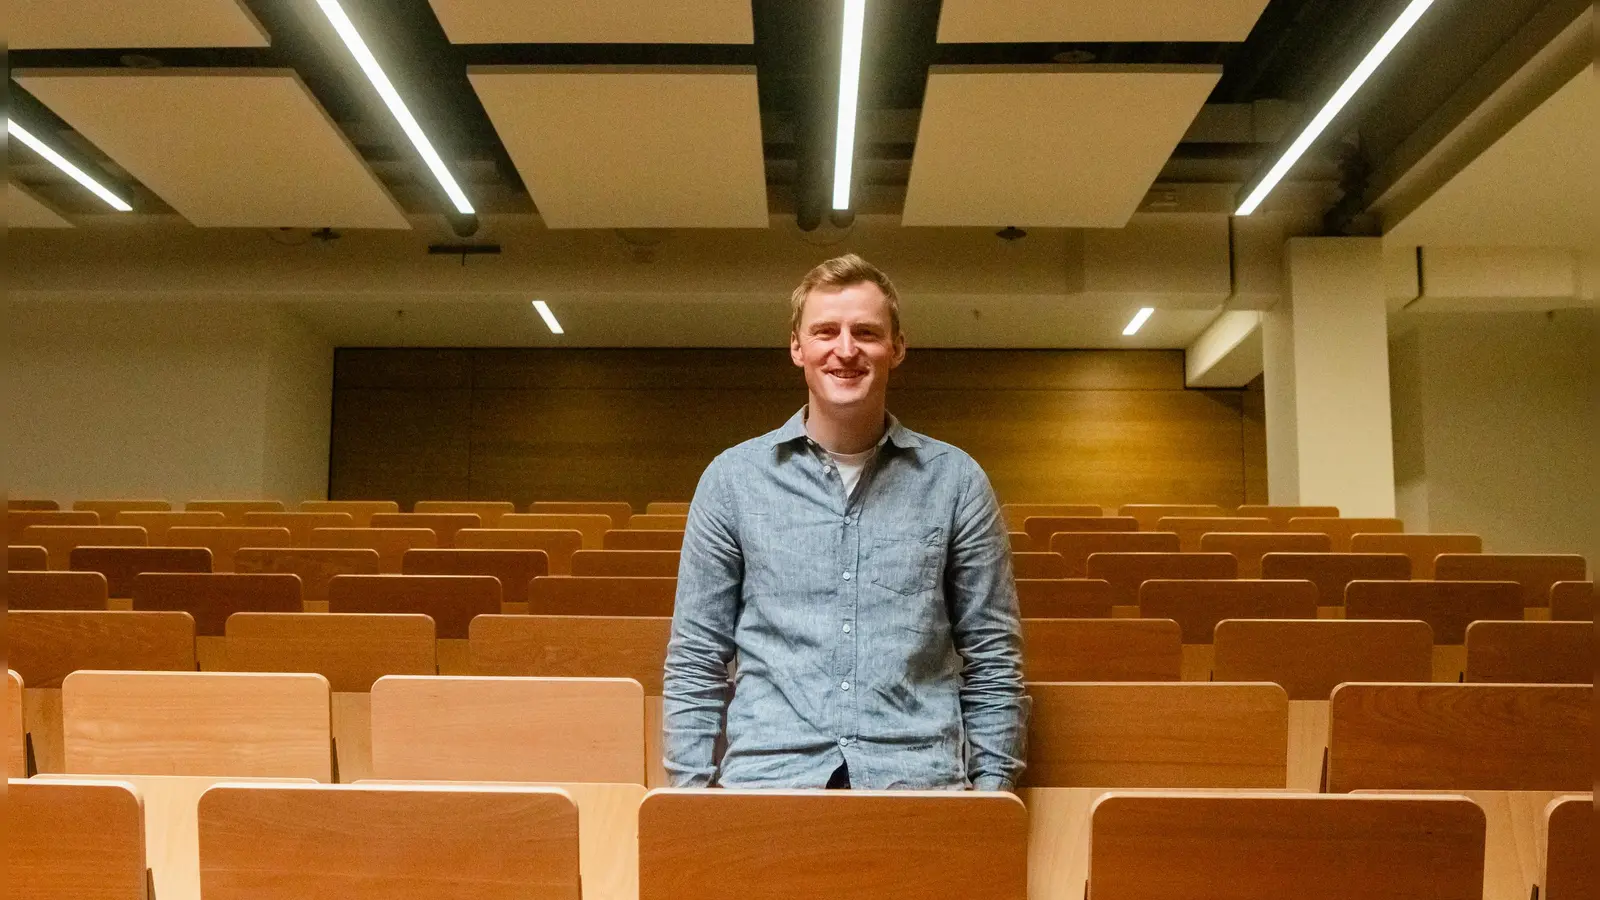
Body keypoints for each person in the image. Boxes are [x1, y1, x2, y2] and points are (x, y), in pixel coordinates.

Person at [662, 253, 1028, 791]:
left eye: (866, 332)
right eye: (826, 331)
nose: (846, 350)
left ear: (897, 348)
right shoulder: (731, 480)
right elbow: (697, 657)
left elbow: (993, 656)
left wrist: (994, 797)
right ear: (797, 348)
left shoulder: (956, 481)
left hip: (918, 784)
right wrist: (688, 801)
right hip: (769, 782)